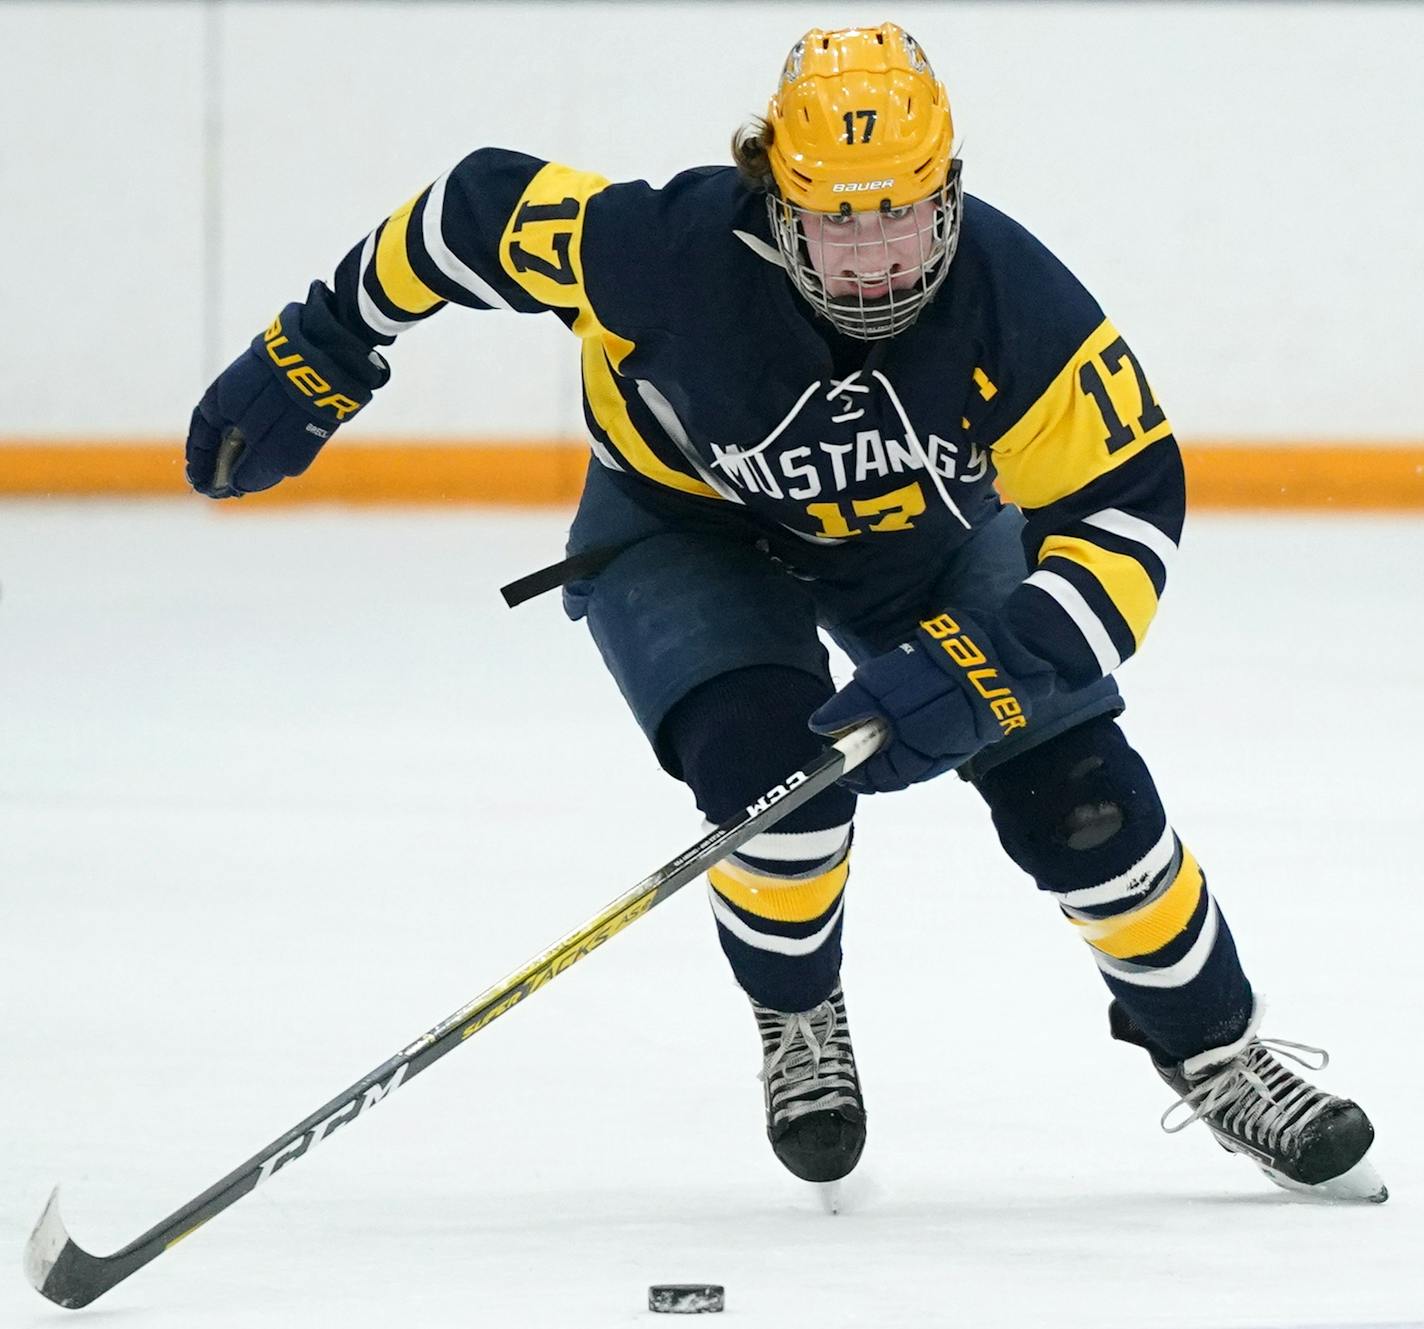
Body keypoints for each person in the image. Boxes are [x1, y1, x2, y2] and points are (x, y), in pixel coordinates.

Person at [186, 23, 1384, 1202]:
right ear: (776, 191)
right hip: (681, 533)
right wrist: (320, 346)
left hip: (932, 544)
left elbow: (1126, 505)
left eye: (901, 214)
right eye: (836, 219)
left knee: (1081, 798)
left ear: (947, 193)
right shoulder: (657, 251)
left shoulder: (1013, 296)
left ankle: (1218, 1054)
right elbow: (470, 212)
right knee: (769, 776)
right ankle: (797, 1009)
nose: (872, 257)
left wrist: (998, 656)